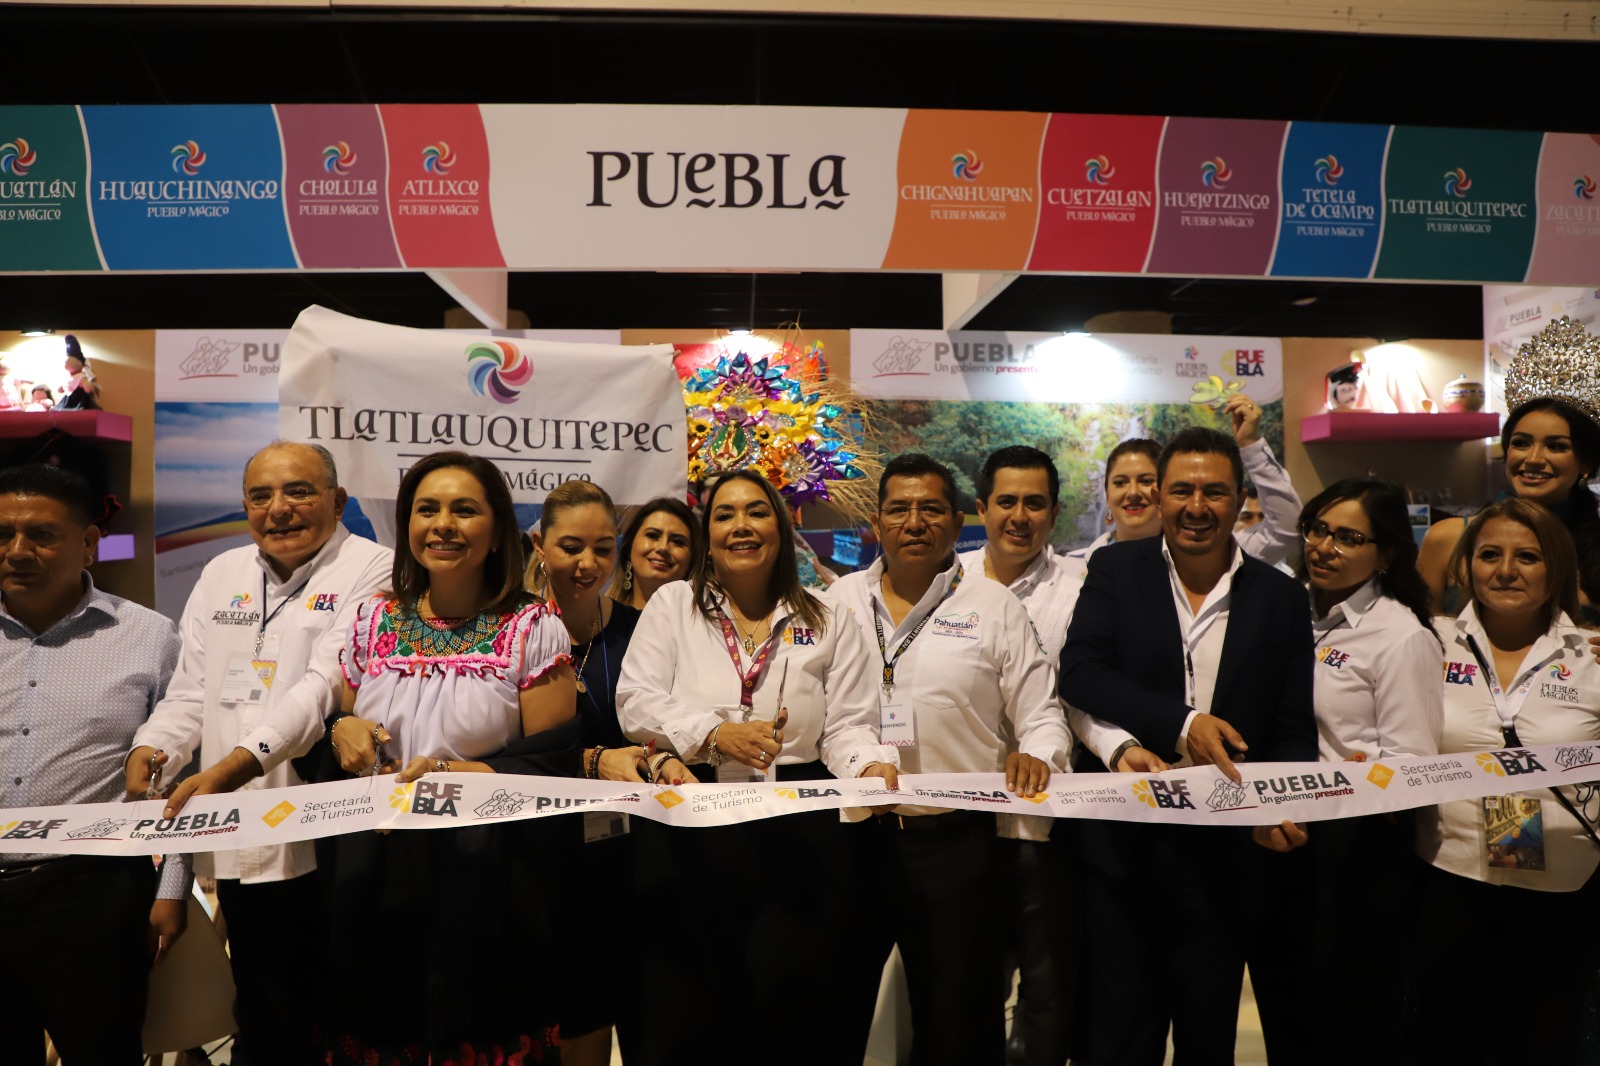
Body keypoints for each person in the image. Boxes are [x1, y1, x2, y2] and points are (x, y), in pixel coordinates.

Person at [617, 468, 897, 1066]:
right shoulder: (673, 605)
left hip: (800, 830)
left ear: (782, 527)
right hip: (691, 821)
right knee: (689, 1015)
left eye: (756, 512)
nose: (740, 526)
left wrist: (868, 766)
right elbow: (635, 701)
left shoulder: (828, 618)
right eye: (724, 514)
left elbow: (847, 726)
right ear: (708, 534)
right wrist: (714, 734)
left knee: (792, 1014)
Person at [126, 440, 391, 1066]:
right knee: (267, 1014)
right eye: (260, 495)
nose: (278, 509)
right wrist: (155, 746)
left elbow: (322, 688)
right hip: (238, 835)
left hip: (327, 838)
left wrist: (232, 766)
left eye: (299, 491)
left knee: (346, 1018)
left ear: (338, 501)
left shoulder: (373, 567)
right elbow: (191, 690)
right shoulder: (222, 573)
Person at [1059, 427, 1316, 1066]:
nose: (1196, 506)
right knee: (1122, 1037)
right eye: (1181, 490)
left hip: (1227, 854)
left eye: (1214, 492)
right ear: (1160, 496)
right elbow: (1082, 673)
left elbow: (1290, 724)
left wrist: (1281, 805)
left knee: (1208, 1036)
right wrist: (1183, 723)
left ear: (1240, 500)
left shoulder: (1281, 596)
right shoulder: (1116, 570)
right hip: (1125, 847)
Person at [322, 450, 580, 1063]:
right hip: (379, 870)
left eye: (464, 510)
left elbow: (555, 761)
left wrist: (462, 775)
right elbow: (346, 724)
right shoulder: (373, 619)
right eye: (427, 509)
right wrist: (342, 728)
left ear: (497, 530)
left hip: (489, 877)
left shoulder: (531, 625)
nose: (443, 525)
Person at [828, 453, 1072, 1066]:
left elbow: (1041, 714)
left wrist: (1038, 755)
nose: (914, 522)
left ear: (959, 520)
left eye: (931, 509)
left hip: (957, 846)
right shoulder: (839, 600)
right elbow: (833, 719)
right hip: (856, 841)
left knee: (958, 1024)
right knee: (835, 1015)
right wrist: (862, 764)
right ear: (877, 522)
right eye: (899, 510)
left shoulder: (993, 605)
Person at [961, 445, 1165, 1066]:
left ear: (1054, 513)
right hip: (957, 820)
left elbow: (1078, 694)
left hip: (1051, 818)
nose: (1019, 516)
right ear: (981, 509)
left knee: (1050, 991)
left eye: (1035, 503)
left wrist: (1119, 746)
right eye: (1006, 502)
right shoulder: (949, 581)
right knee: (964, 987)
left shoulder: (1083, 588)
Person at [1249, 477, 1443, 1063]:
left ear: (1386, 554)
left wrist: (1356, 782)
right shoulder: (1288, 608)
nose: (1324, 547)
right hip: (1277, 834)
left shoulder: (1400, 635)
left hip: (1355, 849)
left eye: (1348, 537)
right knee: (1284, 1007)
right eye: (1318, 529)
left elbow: (1412, 762)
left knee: (1344, 1019)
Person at [0, 465, 183, 1064]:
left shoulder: (150, 637)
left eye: (41, 535)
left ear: (87, 543)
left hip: (94, 896)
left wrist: (173, 890)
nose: (17, 551)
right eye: (2, 534)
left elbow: (179, 773)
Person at [1410, 497, 1600, 1063]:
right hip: (1448, 880)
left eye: (1528, 557)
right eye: (1490, 555)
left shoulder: (1591, 655)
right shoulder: (1427, 642)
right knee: (1448, 1044)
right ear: (1466, 566)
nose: (1506, 570)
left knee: (1544, 1045)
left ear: (1557, 567)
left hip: (1565, 894)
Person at [525, 480, 691, 1066]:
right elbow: (503, 750)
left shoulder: (641, 630)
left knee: (628, 1010)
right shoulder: (511, 630)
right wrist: (594, 761)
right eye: (571, 547)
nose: (588, 564)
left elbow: (664, 728)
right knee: (560, 1020)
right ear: (539, 544)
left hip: (629, 857)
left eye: (603, 548)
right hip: (539, 856)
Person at [1065, 394, 1302, 568]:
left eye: (1146, 480)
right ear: (1107, 495)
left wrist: (1252, 444)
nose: (1133, 492)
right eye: (1120, 482)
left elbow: (1286, 528)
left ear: (1162, 493)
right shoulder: (1073, 567)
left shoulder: (1211, 554)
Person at [1420, 396, 1600, 615]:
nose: (1533, 459)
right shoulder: (1447, 539)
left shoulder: (1594, 544)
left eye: (1556, 446)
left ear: (1586, 463)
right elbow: (1422, 631)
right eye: (1521, 443)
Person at [609, 495, 697, 609]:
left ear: (692, 558)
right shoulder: (599, 615)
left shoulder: (703, 620)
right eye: (652, 535)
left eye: (677, 541)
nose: (663, 547)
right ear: (629, 547)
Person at [57, 334, 98, 410]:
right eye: (66, 361)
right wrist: (61, 387)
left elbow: (87, 387)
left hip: (79, 399)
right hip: (68, 399)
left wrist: (88, 385)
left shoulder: (81, 376)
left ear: (80, 363)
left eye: (68, 360)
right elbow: (61, 389)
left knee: (80, 409)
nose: (66, 362)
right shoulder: (68, 378)